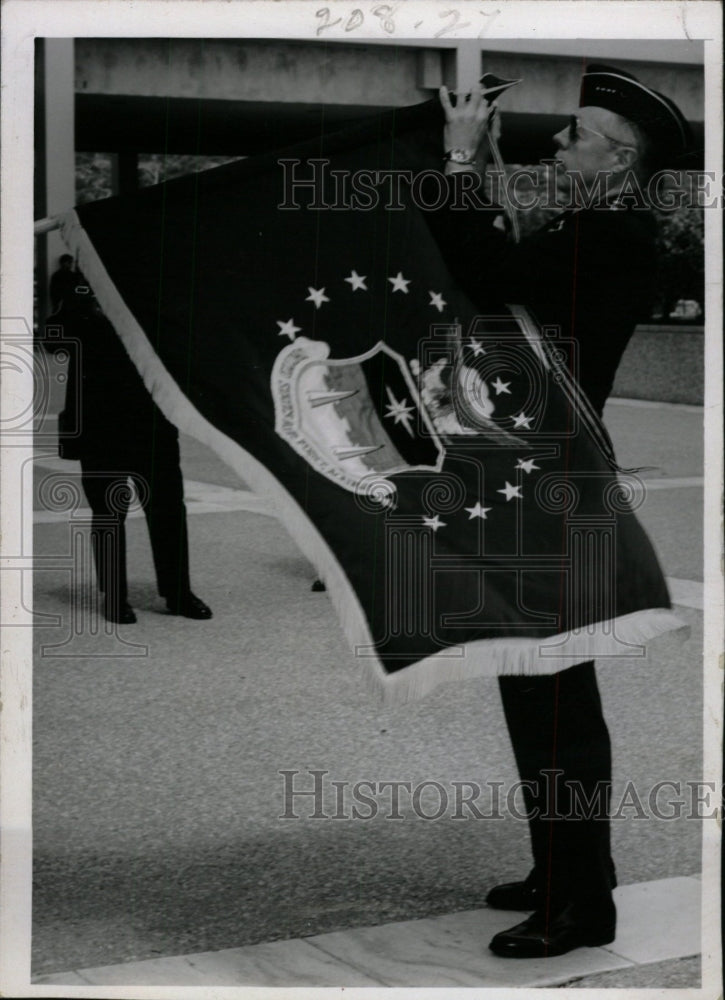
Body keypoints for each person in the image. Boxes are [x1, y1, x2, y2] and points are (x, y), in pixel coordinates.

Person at [433, 64, 693, 958]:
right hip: (537, 477)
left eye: (576, 134)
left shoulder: (609, 237)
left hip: (555, 486)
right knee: (533, 686)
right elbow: (500, 272)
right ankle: (567, 871)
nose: (559, 141)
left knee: (554, 702)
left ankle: (582, 907)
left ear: (618, 160)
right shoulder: (591, 226)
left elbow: (487, 266)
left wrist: (458, 159)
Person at [44, 271, 212, 625]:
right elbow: (52, 340)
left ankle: (178, 592)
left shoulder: (151, 284)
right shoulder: (79, 283)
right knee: (108, 513)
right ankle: (114, 596)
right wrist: (80, 302)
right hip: (100, 425)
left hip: (152, 422)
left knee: (167, 509)